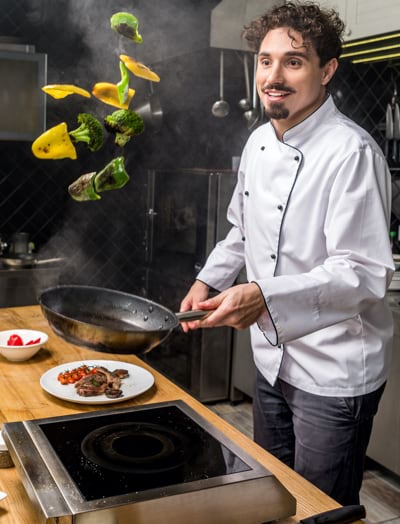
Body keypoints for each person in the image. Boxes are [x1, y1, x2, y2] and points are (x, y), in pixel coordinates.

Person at [180, 0, 394, 506]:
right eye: (265, 60)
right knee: (273, 497)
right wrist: (208, 281)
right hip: (272, 361)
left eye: (293, 62)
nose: (274, 76)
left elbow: (362, 273)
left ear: (327, 70)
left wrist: (262, 296)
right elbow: (241, 229)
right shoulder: (258, 142)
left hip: (333, 370)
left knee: (319, 508)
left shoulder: (352, 153)